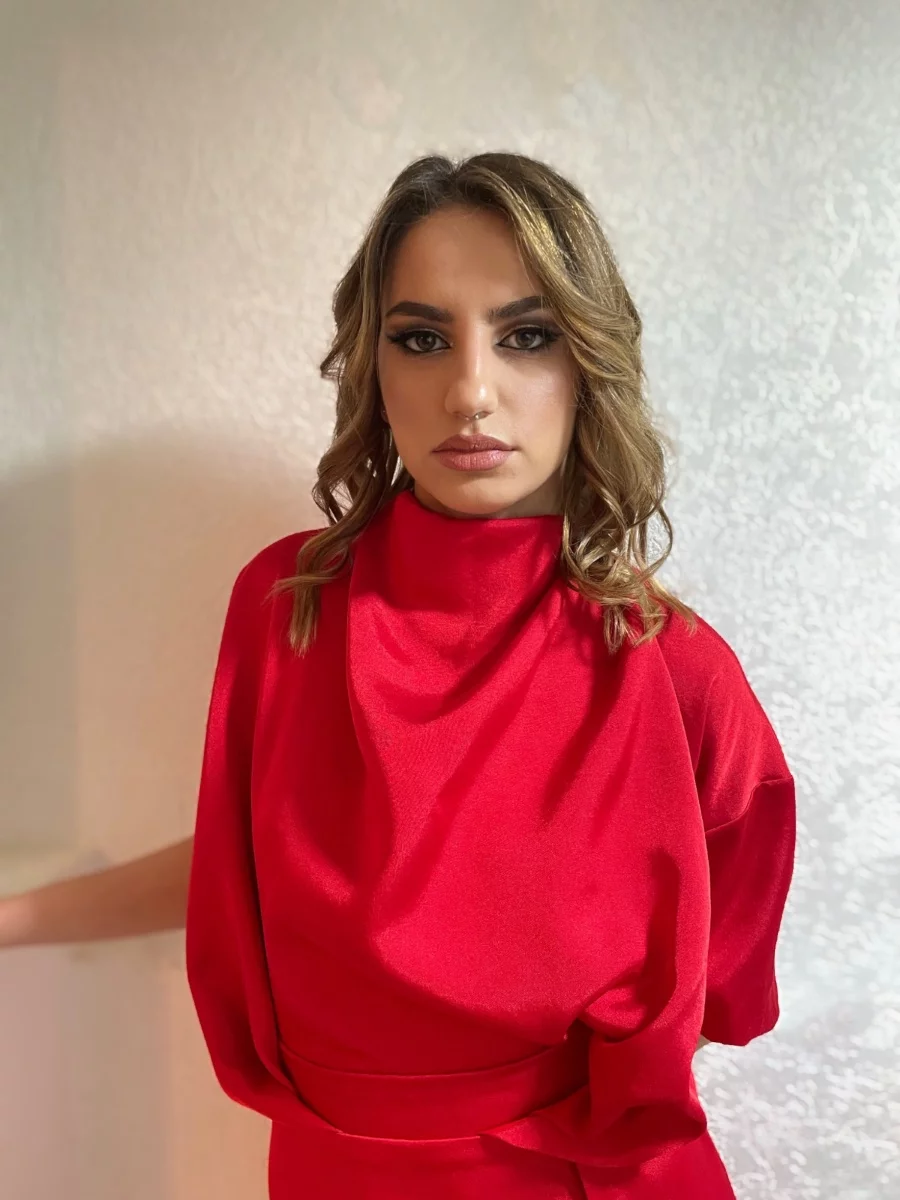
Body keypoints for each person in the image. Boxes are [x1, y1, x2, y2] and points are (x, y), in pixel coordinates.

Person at [2, 152, 796, 1199]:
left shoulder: (676, 673)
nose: (470, 391)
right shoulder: (288, 608)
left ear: (588, 361)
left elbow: (714, 993)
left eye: (526, 336)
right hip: (336, 1167)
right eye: (421, 339)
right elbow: (249, 863)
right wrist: (15, 917)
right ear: (373, 368)